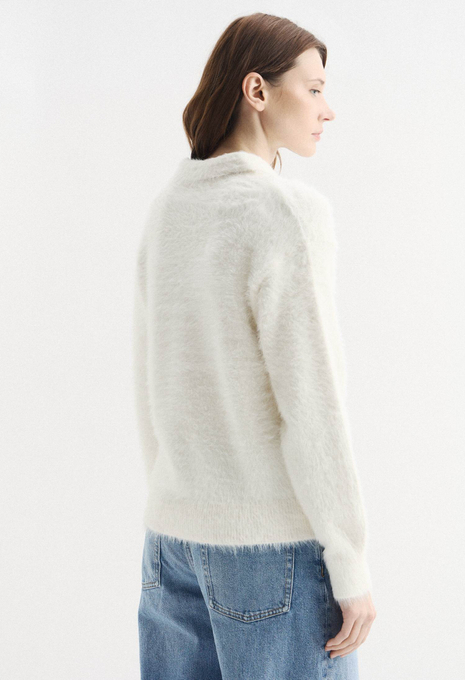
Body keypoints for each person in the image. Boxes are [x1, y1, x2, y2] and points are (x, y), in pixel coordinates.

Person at [133, 11, 376, 680]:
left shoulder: (168, 209)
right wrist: (349, 561)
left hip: (171, 544)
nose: (328, 110)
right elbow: (313, 402)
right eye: (315, 88)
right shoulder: (285, 213)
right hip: (272, 553)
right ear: (257, 90)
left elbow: (151, 385)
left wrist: (177, 498)